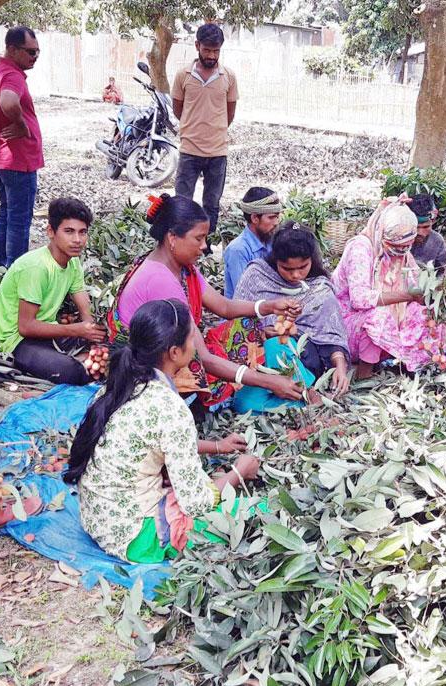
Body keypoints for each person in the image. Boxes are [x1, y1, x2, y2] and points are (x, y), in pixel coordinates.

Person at [67, 299, 261, 563]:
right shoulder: (170, 407)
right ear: (174, 352)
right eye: (193, 339)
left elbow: (155, 439)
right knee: (254, 510)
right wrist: (238, 472)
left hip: (97, 517)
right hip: (137, 538)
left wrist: (217, 446)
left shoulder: (118, 386)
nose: (196, 345)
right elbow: (197, 504)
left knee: (194, 481)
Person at [107, 194, 308, 413]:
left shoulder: (181, 268)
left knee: (248, 325)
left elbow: (223, 306)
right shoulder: (160, 279)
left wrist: (269, 306)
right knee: (209, 370)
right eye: (199, 238)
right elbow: (203, 358)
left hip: (174, 350)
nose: (204, 246)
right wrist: (267, 381)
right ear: (172, 238)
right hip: (147, 364)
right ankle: (206, 401)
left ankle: (233, 387)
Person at [0, 197, 105, 385]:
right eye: (69, 232)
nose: (77, 240)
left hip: (48, 331)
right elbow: (25, 327)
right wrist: (76, 331)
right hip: (18, 341)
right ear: (51, 231)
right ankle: (73, 361)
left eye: (82, 232)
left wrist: (96, 337)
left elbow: (86, 311)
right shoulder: (36, 268)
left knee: (114, 351)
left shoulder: (73, 262)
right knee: (73, 373)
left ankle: (77, 358)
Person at [333, 197, 446, 379]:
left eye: (405, 247)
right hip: (347, 324)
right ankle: (364, 374)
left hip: (388, 316)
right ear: (382, 233)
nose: (400, 252)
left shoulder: (404, 252)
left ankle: (413, 364)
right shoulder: (361, 249)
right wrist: (406, 296)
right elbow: (360, 299)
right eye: (395, 247)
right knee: (378, 317)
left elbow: (415, 281)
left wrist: (434, 290)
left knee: (426, 314)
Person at [234, 222, 352, 396]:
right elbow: (236, 322)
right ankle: (300, 395)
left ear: (312, 260)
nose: (296, 275)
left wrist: (340, 367)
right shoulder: (257, 276)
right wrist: (262, 331)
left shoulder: (319, 288)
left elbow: (331, 336)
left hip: (307, 362)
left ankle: (305, 391)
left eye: (303, 267)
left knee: (284, 348)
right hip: (261, 362)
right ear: (275, 260)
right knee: (276, 346)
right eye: (287, 269)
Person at [0, 26, 44, 269]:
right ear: (11, 49)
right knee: (19, 221)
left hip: (0, 159)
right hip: (18, 160)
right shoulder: (11, 74)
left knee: (6, 215)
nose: (34, 57)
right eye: (30, 52)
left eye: (37, 52)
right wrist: (20, 124)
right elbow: (8, 102)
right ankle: (15, 273)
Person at [172, 23, 238, 238]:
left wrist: (214, 130)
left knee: (212, 204)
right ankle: (181, 243)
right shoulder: (183, 75)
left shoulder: (228, 76)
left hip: (217, 153)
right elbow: (178, 109)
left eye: (216, 50)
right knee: (182, 202)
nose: (211, 55)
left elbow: (230, 113)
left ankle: (205, 245)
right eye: (207, 50)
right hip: (189, 150)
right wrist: (194, 126)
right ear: (197, 45)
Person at [222, 188, 282, 299]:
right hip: (244, 313)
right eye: (271, 217)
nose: (276, 223)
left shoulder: (273, 241)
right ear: (254, 218)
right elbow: (245, 294)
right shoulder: (238, 250)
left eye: (277, 217)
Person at [409, 193, 446, 273]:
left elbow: (442, 273)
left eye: (426, 227)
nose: (420, 232)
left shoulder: (437, 241)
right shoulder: (397, 239)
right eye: (416, 227)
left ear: (433, 221)